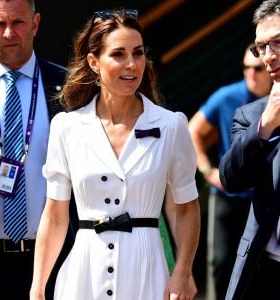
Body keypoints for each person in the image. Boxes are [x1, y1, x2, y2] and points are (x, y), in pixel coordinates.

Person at [30, 8, 201, 300]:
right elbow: (56, 215)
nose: (132, 64)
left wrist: (183, 271)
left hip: (147, 272)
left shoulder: (171, 125)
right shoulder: (67, 127)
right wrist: (38, 286)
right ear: (94, 62)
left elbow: (186, 208)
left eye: (138, 53)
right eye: (119, 54)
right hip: (82, 274)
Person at [0, 0, 76, 299]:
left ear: (35, 23)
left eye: (18, 22)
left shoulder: (71, 87)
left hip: (58, 259)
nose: (9, 33)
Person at [188, 44, 272, 299]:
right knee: (221, 263)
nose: (251, 74)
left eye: (257, 68)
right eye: (246, 68)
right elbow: (192, 131)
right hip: (228, 195)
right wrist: (209, 171)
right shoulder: (227, 96)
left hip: (264, 199)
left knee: (262, 269)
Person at [219, 0, 280, 299]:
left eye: (277, 43)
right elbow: (232, 179)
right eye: (261, 47)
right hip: (268, 273)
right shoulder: (250, 116)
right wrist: (265, 127)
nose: (268, 56)